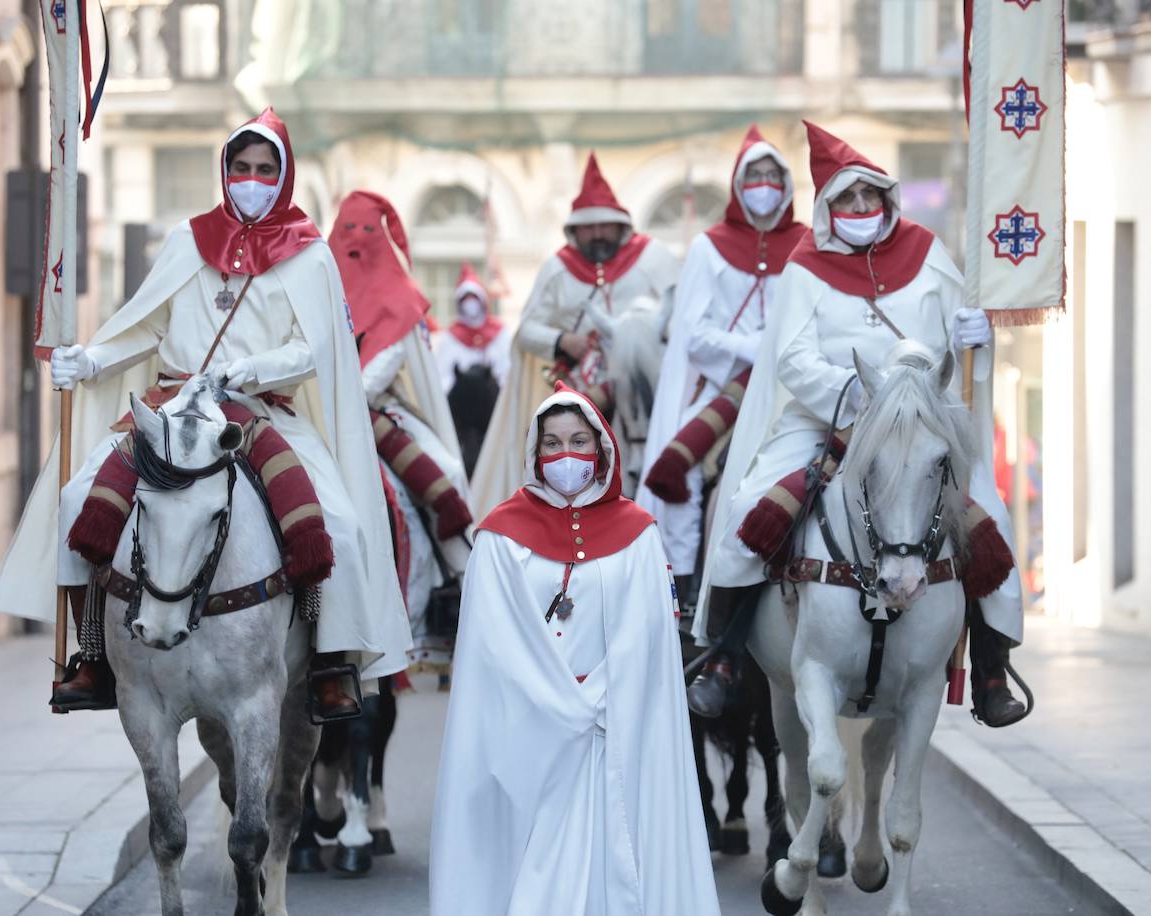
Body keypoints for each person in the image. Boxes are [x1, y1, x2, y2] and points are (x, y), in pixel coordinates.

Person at [0, 109, 411, 719]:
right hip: (175, 408)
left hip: (256, 413)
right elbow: (148, 325)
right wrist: (89, 360)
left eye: (265, 170)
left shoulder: (311, 255)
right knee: (77, 500)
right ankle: (90, 655)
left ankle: (329, 660)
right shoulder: (188, 240)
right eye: (241, 167)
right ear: (225, 170)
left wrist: (251, 370)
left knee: (338, 524)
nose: (251, 179)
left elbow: (314, 348)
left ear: (284, 176)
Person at [695, 122, 1026, 726]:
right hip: (832, 415)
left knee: (988, 515)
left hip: (924, 419)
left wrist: (980, 336)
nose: (858, 208)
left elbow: (962, 348)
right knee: (747, 506)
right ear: (825, 209)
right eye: (845, 199)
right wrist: (855, 397)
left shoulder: (929, 253)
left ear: (887, 200)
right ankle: (725, 657)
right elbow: (793, 358)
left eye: (868, 197)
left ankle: (991, 669)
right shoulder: (804, 267)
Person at [430, 383, 720, 915]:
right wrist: (562, 704)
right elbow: (495, 641)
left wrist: (599, 698)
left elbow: (649, 636)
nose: (566, 455)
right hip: (529, 725)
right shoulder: (499, 537)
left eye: (580, 441)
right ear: (534, 455)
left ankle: (729, 644)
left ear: (603, 450)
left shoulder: (639, 533)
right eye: (553, 443)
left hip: (614, 721)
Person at [638, 124, 810, 622]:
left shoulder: (807, 245)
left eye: (771, 176)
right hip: (723, 388)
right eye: (753, 175)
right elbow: (695, 333)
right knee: (680, 472)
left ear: (787, 185)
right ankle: (688, 593)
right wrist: (756, 348)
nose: (763, 185)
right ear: (738, 184)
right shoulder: (708, 247)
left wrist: (780, 355)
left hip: (791, 389)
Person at [469, 152, 680, 518]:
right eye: (588, 225)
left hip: (651, 388)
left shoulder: (654, 258)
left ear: (620, 225)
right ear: (575, 229)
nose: (597, 233)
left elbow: (682, 317)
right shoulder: (557, 269)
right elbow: (526, 332)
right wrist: (566, 342)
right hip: (587, 388)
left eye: (605, 225)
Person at [329, 190, 473, 673]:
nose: (358, 241)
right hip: (317, 404)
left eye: (369, 230)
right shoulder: (318, 281)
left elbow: (387, 362)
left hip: (376, 407)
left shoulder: (403, 295)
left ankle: (463, 575)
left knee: (447, 472)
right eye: (349, 229)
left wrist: (355, 390)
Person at [433, 262, 511, 393]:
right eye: (465, 298)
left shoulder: (500, 333)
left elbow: (506, 371)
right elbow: (443, 376)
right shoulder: (449, 337)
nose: (470, 302)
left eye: (473, 297)